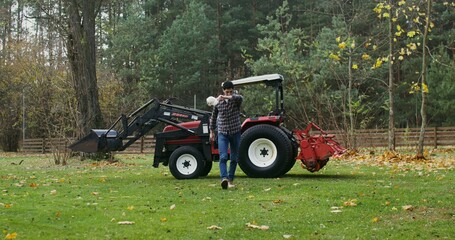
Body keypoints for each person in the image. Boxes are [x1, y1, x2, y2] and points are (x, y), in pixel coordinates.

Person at [209, 81, 243, 189]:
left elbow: (240, 98)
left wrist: (225, 97)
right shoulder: (218, 103)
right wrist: (211, 131)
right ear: (223, 90)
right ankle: (224, 179)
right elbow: (213, 117)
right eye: (226, 91)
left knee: (234, 158)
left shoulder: (235, 100)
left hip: (235, 132)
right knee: (223, 157)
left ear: (233, 91)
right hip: (222, 132)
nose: (228, 93)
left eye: (230, 92)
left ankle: (230, 179)